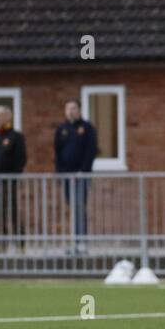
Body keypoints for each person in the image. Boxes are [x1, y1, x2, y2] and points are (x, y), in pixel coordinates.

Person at [54, 98, 98, 250]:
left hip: (81, 176)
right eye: (68, 109)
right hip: (67, 175)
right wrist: (60, 173)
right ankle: (74, 241)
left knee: (80, 207)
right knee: (72, 207)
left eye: (73, 108)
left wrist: (84, 170)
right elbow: (58, 152)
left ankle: (81, 241)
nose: (70, 111)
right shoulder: (62, 129)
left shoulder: (87, 128)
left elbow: (91, 151)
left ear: (79, 110)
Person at [0, 105, 27, 253]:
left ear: (9, 117)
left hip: (9, 182)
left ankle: (20, 243)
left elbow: (21, 159)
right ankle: (1, 243)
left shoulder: (16, 137)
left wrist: (12, 175)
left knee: (13, 212)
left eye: (1, 115)